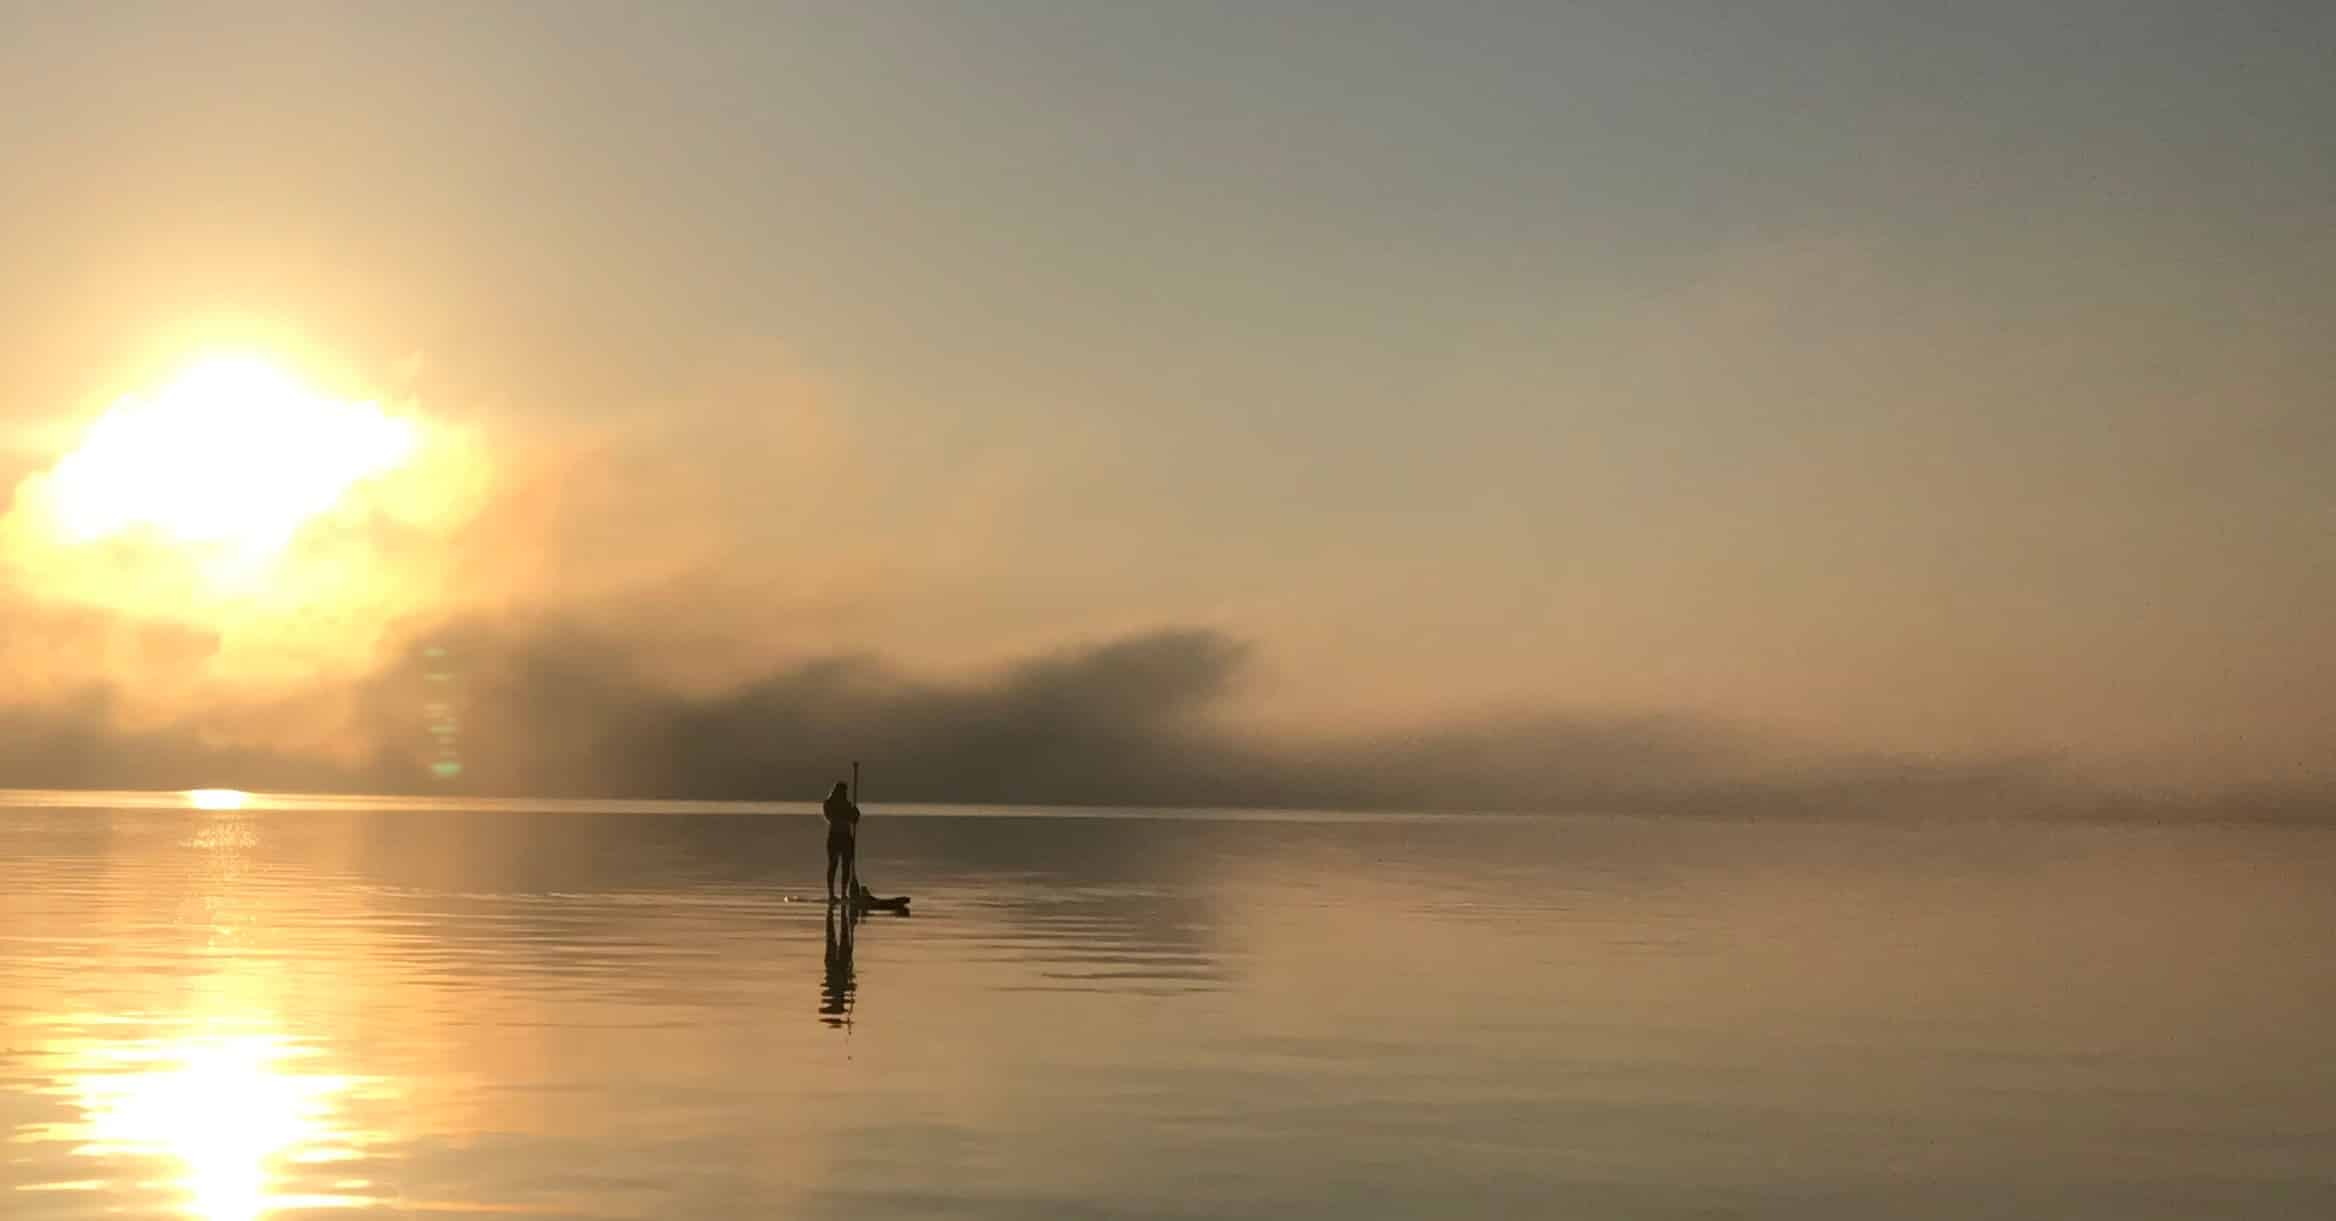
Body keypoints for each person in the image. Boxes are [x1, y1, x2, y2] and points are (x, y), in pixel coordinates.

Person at [822, 780, 860, 900]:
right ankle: (831, 894)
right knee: (833, 864)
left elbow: (854, 820)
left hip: (846, 837)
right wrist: (849, 813)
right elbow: (831, 816)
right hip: (834, 837)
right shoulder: (828, 804)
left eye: (845, 792)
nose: (844, 794)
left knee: (846, 866)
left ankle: (844, 893)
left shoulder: (847, 804)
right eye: (842, 791)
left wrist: (855, 813)